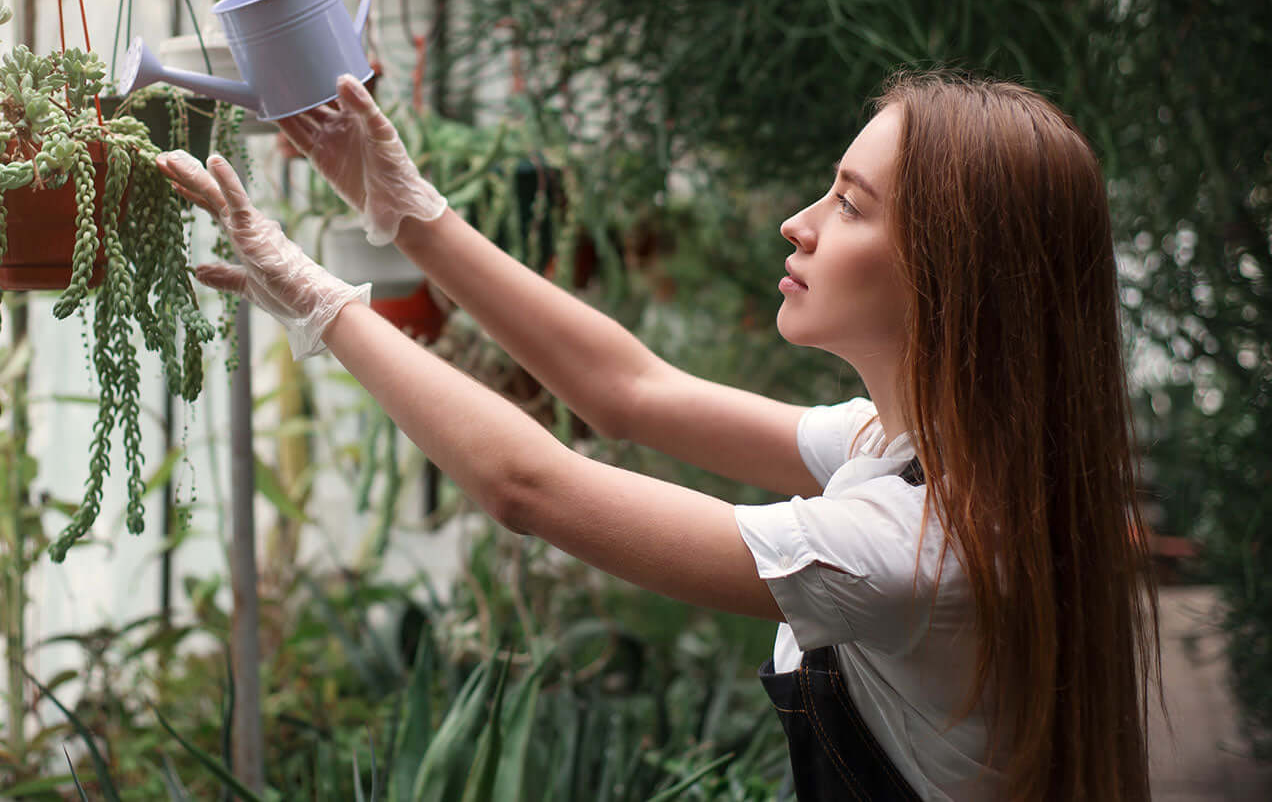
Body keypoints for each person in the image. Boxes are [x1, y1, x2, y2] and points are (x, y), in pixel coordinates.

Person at [155, 69, 1159, 802]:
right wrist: (407, 213)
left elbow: (529, 490)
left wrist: (325, 307)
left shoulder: (909, 547)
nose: (798, 225)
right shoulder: (914, 454)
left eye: (848, 206)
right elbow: (626, 390)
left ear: (954, 271)